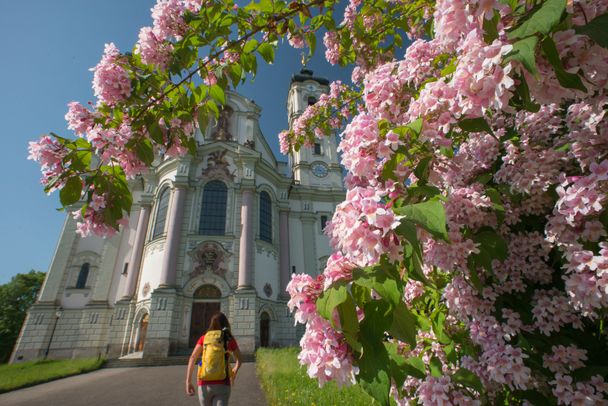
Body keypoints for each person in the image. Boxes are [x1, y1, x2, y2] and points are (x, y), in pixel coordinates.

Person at [186, 312, 242, 406]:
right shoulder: (229, 339)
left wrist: (188, 382)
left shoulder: (204, 338)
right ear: (226, 324)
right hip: (223, 383)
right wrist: (234, 372)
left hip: (204, 383)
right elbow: (239, 360)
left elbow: (192, 357)